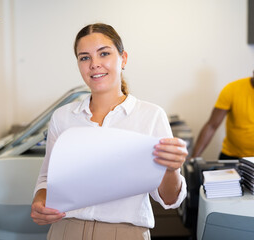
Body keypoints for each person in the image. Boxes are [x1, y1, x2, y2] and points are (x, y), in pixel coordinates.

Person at [30, 23, 188, 240]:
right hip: (66, 231)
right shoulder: (63, 117)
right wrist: (40, 201)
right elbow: (48, 180)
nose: (94, 64)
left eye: (104, 53)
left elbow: (169, 200)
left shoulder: (150, 116)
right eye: (84, 57)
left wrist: (172, 170)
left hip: (124, 232)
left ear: (123, 58)